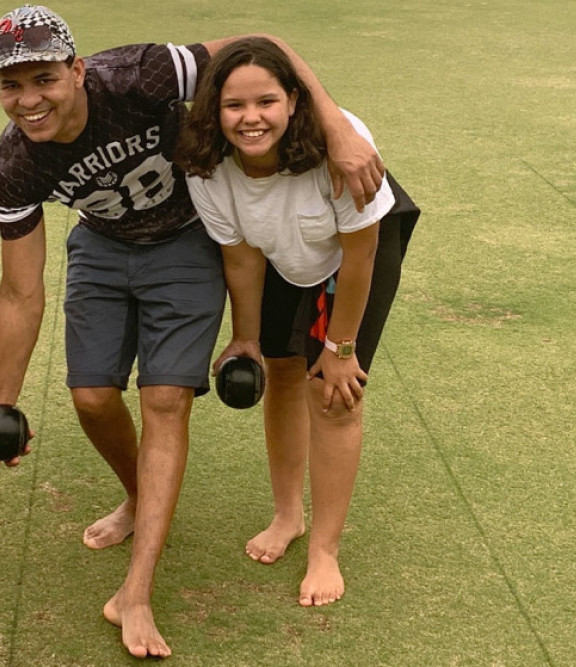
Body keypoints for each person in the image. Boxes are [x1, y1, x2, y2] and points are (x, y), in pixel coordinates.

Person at [0, 5, 385, 658]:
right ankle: (144, 497)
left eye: (44, 79)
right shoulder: (13, 164)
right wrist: (0, 398)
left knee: (172, 399)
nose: (30, 100)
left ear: (77, 71)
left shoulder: (140, 74)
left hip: (187, 243)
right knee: (92, 397)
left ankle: (136, 591)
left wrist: (332, 121)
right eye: (11, 86)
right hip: (107, 247)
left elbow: (261, 43)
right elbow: (21, 291)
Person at [177, 37, 418, 607]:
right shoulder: (206, 168)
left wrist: (340, 347)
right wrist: (245, 337)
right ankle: (288, 516)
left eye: (266, 101)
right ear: (214, 111)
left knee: (333, 393)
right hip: (277, 253)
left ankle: (325, 550)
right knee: (282, 372)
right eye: (234, 105)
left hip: (349, 258)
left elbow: (359, 255)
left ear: (292, 99)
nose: (251, 118)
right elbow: (240, 257)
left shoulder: (339, 155)